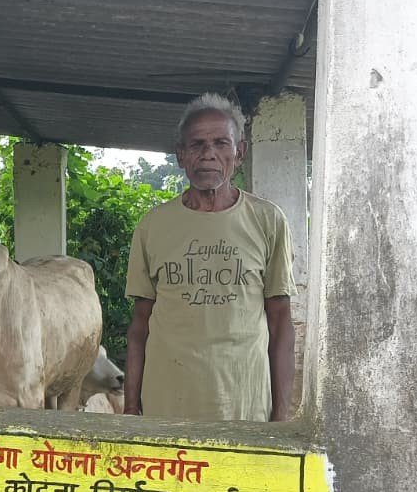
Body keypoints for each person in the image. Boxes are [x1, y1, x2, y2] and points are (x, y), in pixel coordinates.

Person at [123, 93, 295, 422]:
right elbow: (139, 326)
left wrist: (281, 417)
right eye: (197, 144)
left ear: (239, 152)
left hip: (243, 406)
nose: (208, 155)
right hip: (166, 407)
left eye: (221, 143)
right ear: (181, 155)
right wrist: (131, 408)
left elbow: (281, 322)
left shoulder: (267, 220)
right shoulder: (153, 226)